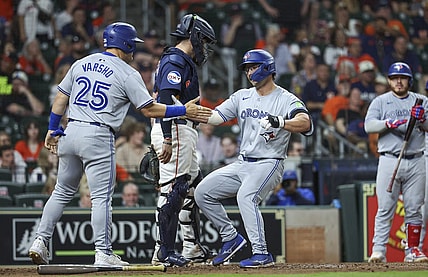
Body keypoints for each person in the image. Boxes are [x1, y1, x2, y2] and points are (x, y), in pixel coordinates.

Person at [28, 21, 212, 267]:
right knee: (101, 198)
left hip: (70, 130)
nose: (133, 51)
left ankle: (40, 240)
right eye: (132, 45)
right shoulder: (127, 72)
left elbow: (61, 98)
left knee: (61, 192)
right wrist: (183, 109)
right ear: (124, 43)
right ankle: (103, 252)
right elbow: (150, 110)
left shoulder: (80, 63)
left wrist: (52, 128)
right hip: (98, 134)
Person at [194, 49, 313, 268]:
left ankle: (261, 253)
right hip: (242, 163)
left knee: (246, 197)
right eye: (247, 68)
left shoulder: (286, 98)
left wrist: (281, 122)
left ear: (268, 68)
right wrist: (185, 110)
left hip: (269, 162)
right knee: (203, 192)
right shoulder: (242, 96)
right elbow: (214, 117)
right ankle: (231, 238)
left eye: (253, 67)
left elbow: (305, 123)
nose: (249, 72)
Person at [150, 14, 217, 267]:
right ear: (195, 36)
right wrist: (166, 136)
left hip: (180, 128)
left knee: (192, 188)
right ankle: (163, 251)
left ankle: (191, 247)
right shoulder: (176, 59)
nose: (206, 47)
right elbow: (166, 98)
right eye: (204, 41)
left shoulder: (179, 59)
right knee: (175, 189)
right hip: (176, 128)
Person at [365, 62, 428, 263]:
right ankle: (379, 250)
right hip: (390, 158)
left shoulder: (421, 101)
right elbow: (369, 126)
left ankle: (413, 250)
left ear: (409, 80)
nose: (398, 81)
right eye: (394, 78)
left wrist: (423, 120)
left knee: (414, 208)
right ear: (389, 80)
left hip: (416, 158)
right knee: (385, 207)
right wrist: (388, 124)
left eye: (402, 78)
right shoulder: (381, 101)